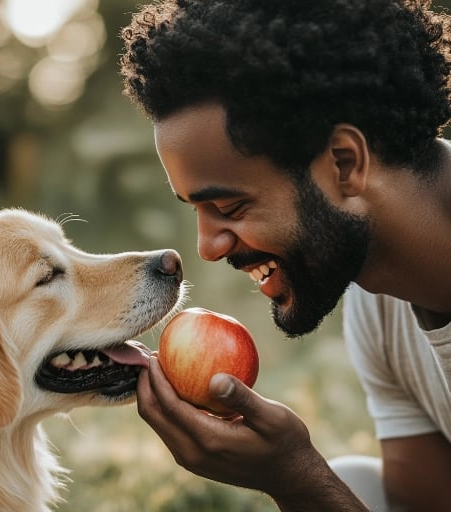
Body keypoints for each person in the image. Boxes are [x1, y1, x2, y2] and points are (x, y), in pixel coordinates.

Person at [119, 1, 451, 510]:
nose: (207, 248)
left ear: (344, 163)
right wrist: (294, 476)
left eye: (229, 206)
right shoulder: (379, 303)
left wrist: (298, 480)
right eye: (196, 210)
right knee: (356, 482)